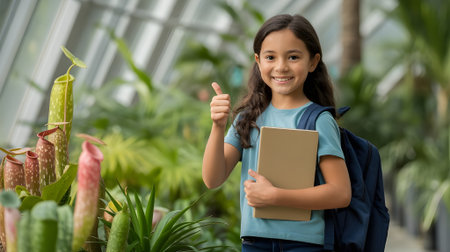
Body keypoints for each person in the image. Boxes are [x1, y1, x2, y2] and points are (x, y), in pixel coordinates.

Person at [202, 14, 351, 252]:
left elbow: (340, 192)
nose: (281, 66)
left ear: (313, 62)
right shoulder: (247, 118)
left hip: (304, 245)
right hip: (254, 243)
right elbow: (212, 179)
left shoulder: (319, 120)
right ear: (258, 61)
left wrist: (276, 197)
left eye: (293, 57)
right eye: (270, 57)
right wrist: (218, 127)